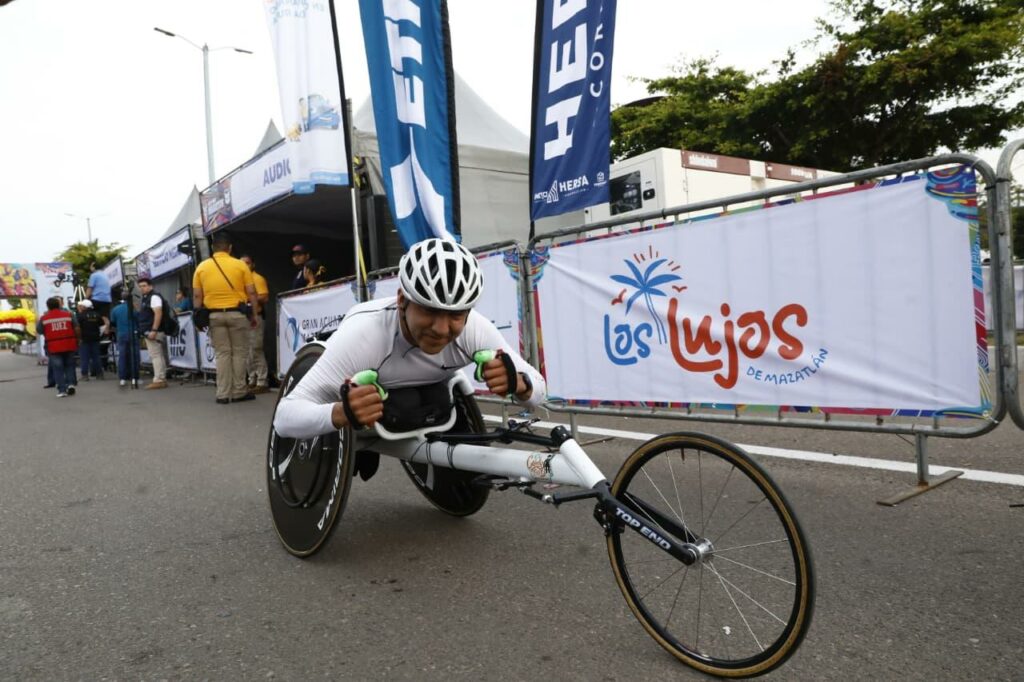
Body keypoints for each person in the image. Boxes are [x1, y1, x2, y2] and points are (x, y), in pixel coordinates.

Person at [273, 238, 545, 440]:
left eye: (455, 315)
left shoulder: (474, 328)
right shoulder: (363, 336)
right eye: (429, 311)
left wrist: (519, 384)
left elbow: (539, 388)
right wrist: (342, 412)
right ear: (402, 300)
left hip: (427, 395)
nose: (442, 329)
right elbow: (284, 418)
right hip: (372, 388)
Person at [193, 231, 259, 404]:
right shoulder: (240, 265)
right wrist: (254, 314)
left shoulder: (201, 267)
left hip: (214, 315)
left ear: (213, 248)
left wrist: (197, 317)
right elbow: (252, 292)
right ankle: (239, 391)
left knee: (222, 354)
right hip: (237, 315)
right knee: (239, 353)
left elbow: (197, 296)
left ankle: (222, 394)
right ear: (229, 248)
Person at [239, 254, 270, 394]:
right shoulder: (240, 280)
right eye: (242, 263)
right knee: (247, 350)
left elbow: (265, 296)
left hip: (255, 317)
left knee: (256, 348)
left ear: (253, 265)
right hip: (244, 318)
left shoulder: (257, 278)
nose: (244, 265)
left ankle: (262, 381)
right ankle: (252, 379)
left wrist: (249, 299)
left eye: (247, 263)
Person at [38, 296, 79, 398]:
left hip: (53, 346)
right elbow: (76, 327)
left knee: (58, 368)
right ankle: (70, 384)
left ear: (48, 306)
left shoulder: (44, 318)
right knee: (69, 365)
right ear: (59, 305)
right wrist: (78, 339)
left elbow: (39, 330)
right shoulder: (69, 315)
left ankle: (62, 390)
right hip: (69, 344)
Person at [137, 278, 169, 390]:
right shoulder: (147, 298)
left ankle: (159, 379)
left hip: (154, 330)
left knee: (156, 355)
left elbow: (158, 313)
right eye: (140, 286)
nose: (142, 288)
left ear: (150, 286)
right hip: (151, 330)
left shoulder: (154, 297)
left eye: (144, 285)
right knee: (158, 354)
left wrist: (154, 330)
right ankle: (161, 378)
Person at [109, 293, 140, 387]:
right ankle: (134, 376)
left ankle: (122, 378)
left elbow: (113, 322)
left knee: (122, 356)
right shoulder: (133, 308)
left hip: (121, 334)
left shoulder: (115, 309)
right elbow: (139, 318)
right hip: (133, 333)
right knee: (134, 356)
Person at [76, 299, 105, 380]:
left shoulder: (80, 316)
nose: (80, 307)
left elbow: (77, 328)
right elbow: (102, 326)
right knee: (96, 357)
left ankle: (85, 375)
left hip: (84, 339)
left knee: (84, 358)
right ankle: (99, 374)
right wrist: (99, 334)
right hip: (95, 338)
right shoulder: (97, 315)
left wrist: (79, 338)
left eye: (82, 306)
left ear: (85, 307)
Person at [85, 261, 112, 328]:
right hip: (107, 299)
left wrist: (85, 299)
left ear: (93, 267)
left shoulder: (94, 275)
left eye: (91, 266)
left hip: (97, 299)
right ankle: (107, 330)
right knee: (104, 317)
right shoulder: (105, 275)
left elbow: (90, 288)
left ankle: (94, 329)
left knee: (90, 315)